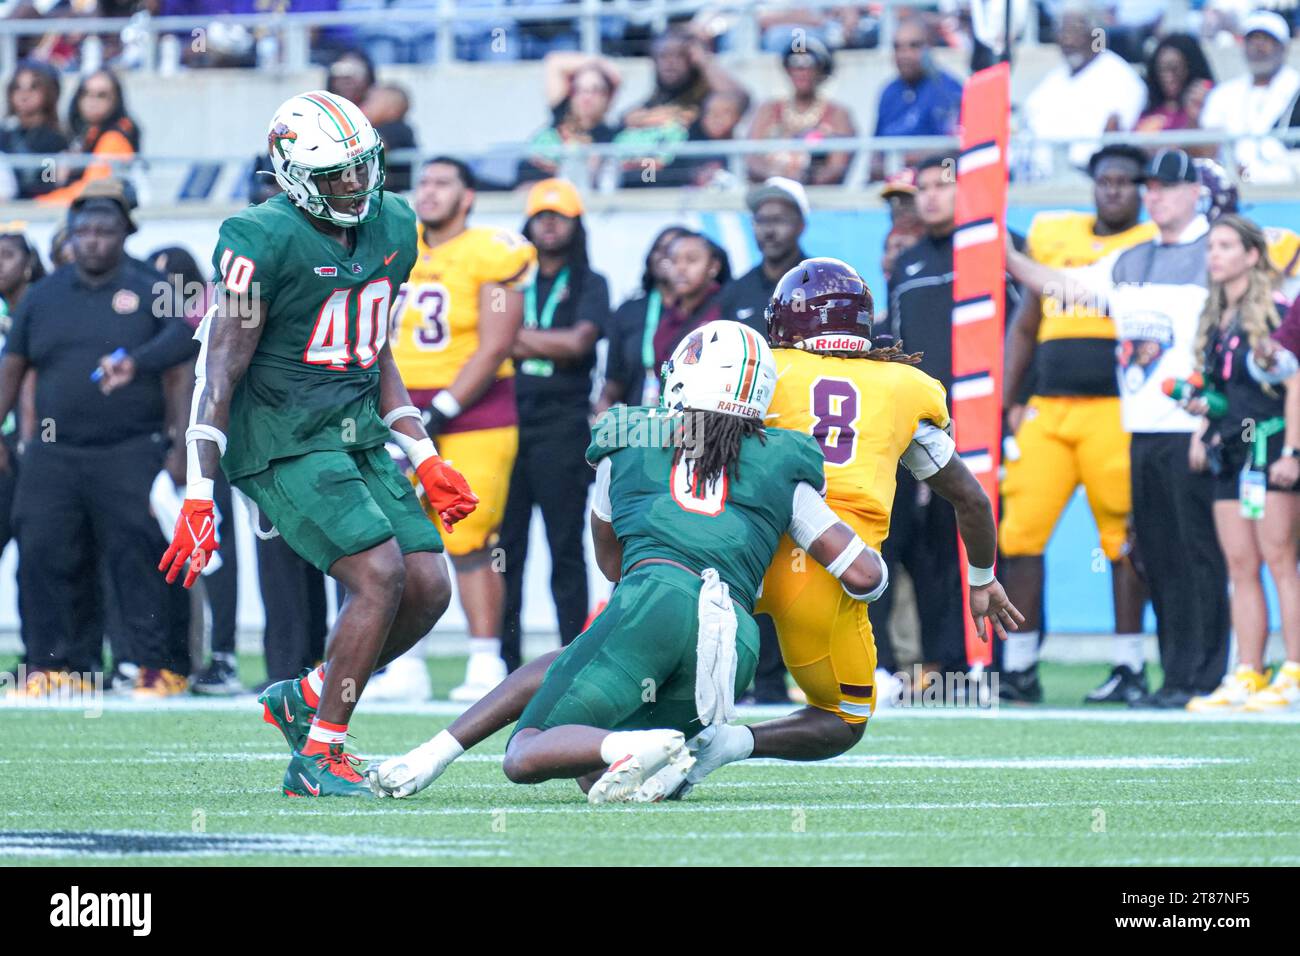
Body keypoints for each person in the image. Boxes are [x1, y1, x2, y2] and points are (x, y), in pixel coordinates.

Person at [367, 320, 890, 801]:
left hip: (653, 599)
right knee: (592, 761)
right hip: (734, 640)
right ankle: (648, 749)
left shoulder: (629, 437)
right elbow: (865, 577)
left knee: (526, 752)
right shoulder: (782, 458)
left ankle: (449, 753)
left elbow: (612, 565)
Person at [168, 91, 475, 797]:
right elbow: (219, 370)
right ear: (295, 177)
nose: (357, 183)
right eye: (338, 173)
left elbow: (374, 353)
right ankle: (320, 754)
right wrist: (197, 490)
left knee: (428, 588)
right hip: (279, 436)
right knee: (378, 574)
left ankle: (306, 695)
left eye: (363, 167)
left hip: (356, 429)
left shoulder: (396, 222)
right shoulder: (259, 237)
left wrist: (424, 457)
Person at [1007, 148, 1230, 708]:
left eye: (1164, 188)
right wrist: (1007, 257)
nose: (1153, 196)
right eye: (1149, 187)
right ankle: (1176, 678)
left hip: (1193, 426)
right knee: (1159, 554)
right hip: (1141, 428)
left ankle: (1211, 676)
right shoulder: (1132, 258)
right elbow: (1066, 287)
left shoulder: (1215, 252)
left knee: (1200, 554)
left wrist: (1217, 417)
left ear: (1194, 193)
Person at [0, 179, 197, 699]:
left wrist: (180, 446)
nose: (92, 240)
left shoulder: (153, 287)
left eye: (105, 231)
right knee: (44, 552)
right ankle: (59, 664)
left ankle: (159, 665)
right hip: (53, 452)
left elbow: (179, 369)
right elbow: (14, 367)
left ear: (125, 233)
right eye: (83, 230)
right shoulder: (43, 295)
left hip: (132, 448)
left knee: (141, 557)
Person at [997, 145, 1156, 704]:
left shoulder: (1150, 244)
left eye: (1124, 181)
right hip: (1049, 408)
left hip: (1115, 410)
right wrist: (1008, 400)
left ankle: (1130, 665)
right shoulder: (1054, 235)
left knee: (1121, 538)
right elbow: (1025, 324)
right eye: (1103, 181)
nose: (1112, 190)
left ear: (1142, 190)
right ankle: (1017, 667)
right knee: (1018, 533)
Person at [389, 156, 536, 702]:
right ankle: (406, 663)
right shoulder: (396, 246)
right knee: (402, 536)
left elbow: (497, 341)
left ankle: (484, 658)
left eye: (442, 182)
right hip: (401, 406)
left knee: (472, 537)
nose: (428, 192)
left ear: (467, 195)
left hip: (476, 410)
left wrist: (446, 406)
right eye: (423, 181)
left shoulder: (494, 250)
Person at [883, 152, 1025, 680]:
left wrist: (1012, 403)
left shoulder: (998, 250)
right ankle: (951, 666)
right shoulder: (908, 261)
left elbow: (1025, 334)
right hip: (926, 431)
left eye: (945, 185)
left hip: (993, 425)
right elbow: (898, 350)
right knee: (936, 548)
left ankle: (1006, 665)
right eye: (924, 188)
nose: (932, 196)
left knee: (995, 538)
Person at [1183, 215, 1299, 713]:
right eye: (1212, 246)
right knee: (1240, 564)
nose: (1215, 255)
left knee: (1280, 561)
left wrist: (1294, 452)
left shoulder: (1275, 313)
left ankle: (1293, 671)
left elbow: (1294, 383)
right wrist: (1201, 418)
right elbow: (1224, 394)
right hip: (1230, 451)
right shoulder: (1215, 318)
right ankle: (1247, 672)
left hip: (1268, 449)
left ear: (1253, 256)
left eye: (1227, 246)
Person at [499, 178, 610, 673]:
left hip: (563, 426)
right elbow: (489, 337)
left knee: (566, 547)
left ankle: (573, 656)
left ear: (576, 224)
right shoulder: (510, 278)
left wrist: (510, 339)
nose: (548, 223)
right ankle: (502, 659)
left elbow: (578, 345)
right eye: (540, 215)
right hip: (506, 420)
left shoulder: (592, 282)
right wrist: (530, 339)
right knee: (506, 550)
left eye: (558, 215)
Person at [148, 245, 244, 696]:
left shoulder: (212, 306)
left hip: (211, 446)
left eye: (174, 282)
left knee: (215, 553)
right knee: (182, 557)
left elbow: (180, 346)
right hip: (176, 446)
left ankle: (222, 654)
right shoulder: (160, 319)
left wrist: (131, 355)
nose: (164, 291)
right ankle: (179, 656)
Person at [1019, 2, 1146, 179]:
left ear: (1095, 35)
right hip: (1039, 178)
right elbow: (1028, 120)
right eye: (1063, 32)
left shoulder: (1120, 77)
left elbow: (1116, 137)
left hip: (1090, 177)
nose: (1068, 40)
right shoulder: (1054, 79)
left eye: (1075, 32)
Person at [615, 29, 746, 188]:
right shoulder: (642, 109)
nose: (669, 62)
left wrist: (703, 59)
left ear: (692, 59)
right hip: (641, 191)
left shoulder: (707, 106)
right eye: (663, 56)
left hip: (688, 192)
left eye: (678, 55)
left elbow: (737, 99)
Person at [1199, 10, 1300, 185]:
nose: (1258, 47)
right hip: (1234, 184)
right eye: (1253, 40)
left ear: (1284, 48)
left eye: (1266, 40)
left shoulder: (1296, 88)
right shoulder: (1224, 93)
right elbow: (1209, 145)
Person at [597, 225, 688, 412]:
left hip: (692, 428)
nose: (664, 255)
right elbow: (614, 383)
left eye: (673, 249)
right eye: (659, 249)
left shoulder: (706, 311)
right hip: (638, 430)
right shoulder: (628, 312)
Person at [747, 36, 855, 187]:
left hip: (819, 197)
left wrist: (804, 180)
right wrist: (778, 178)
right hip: (772, 192)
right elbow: (752, 160)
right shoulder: (768, 110)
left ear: (820, 69)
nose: (801, 71)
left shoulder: (837, 114)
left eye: (809, 63)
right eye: (794, 63)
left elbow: (837, 167)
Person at [870, 19, 963, 181]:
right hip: (895, 187)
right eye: (897, 47)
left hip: (934, 184)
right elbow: (876, 151)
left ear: (930, 47)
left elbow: (954, 149)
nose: (904, 54)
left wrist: (916, 156)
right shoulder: (888, 92)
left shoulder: (948, 89)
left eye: (914, 46)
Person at [36, 69, 140, 207]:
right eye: (86, 94)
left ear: (115, 100)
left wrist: (39, 203)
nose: (92, 101)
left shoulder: (115, 138)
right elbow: (48, 177)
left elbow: (92, 190)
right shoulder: (83, 136)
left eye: (102, 95)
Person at [517, 52, 620, 186]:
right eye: (579, 89)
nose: (586, 97)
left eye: (595, 90)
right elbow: (554, 63)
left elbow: (617, 77)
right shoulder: (560, 114)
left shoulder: (611, 138)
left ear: (608, 97)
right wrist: (600, 63)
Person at [1134, 33, 1215, 157]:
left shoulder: (1205, 105)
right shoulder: (1148, 110)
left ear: (1190, 68)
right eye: (1161, 69)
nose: (1168, 76)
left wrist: (1193, 118)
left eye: (1174, 68)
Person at [0, 61, 68, 200]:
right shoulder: (3, 135)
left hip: (41, 210)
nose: (24, 95)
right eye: (17, 88)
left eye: (33, 87)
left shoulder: (56, 139)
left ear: (48, 92)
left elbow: (49, 182)